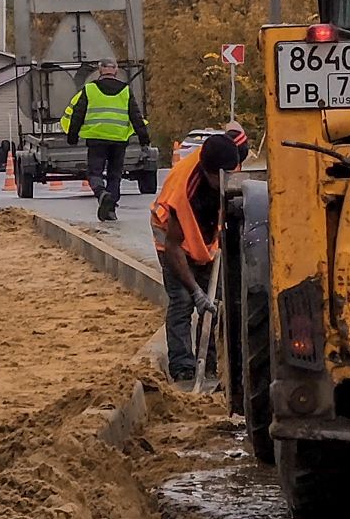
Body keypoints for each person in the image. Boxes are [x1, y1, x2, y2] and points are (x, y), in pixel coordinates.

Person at [151, 132, 243, 382]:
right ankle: (183, 367)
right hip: (172, 242)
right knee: (182, 302)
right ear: (208, 173)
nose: (228, 181)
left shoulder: (227, 166)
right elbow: (173, 246)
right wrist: (195, 291)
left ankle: (213, 364)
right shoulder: (185, 192)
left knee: (217, 304)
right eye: (222, 178)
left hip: (204, 242)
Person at [64, 58, 150, 221]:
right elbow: (136, 116)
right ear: (116, 71)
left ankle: (102, 193)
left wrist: (72, 136)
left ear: (99, 70)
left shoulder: (89, 89)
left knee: (94, 172)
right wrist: (144, 139)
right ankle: (110, 209)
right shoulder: (125, 90)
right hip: (119, 139)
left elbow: (78, 114)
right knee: (115, 174)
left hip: (96, 139)